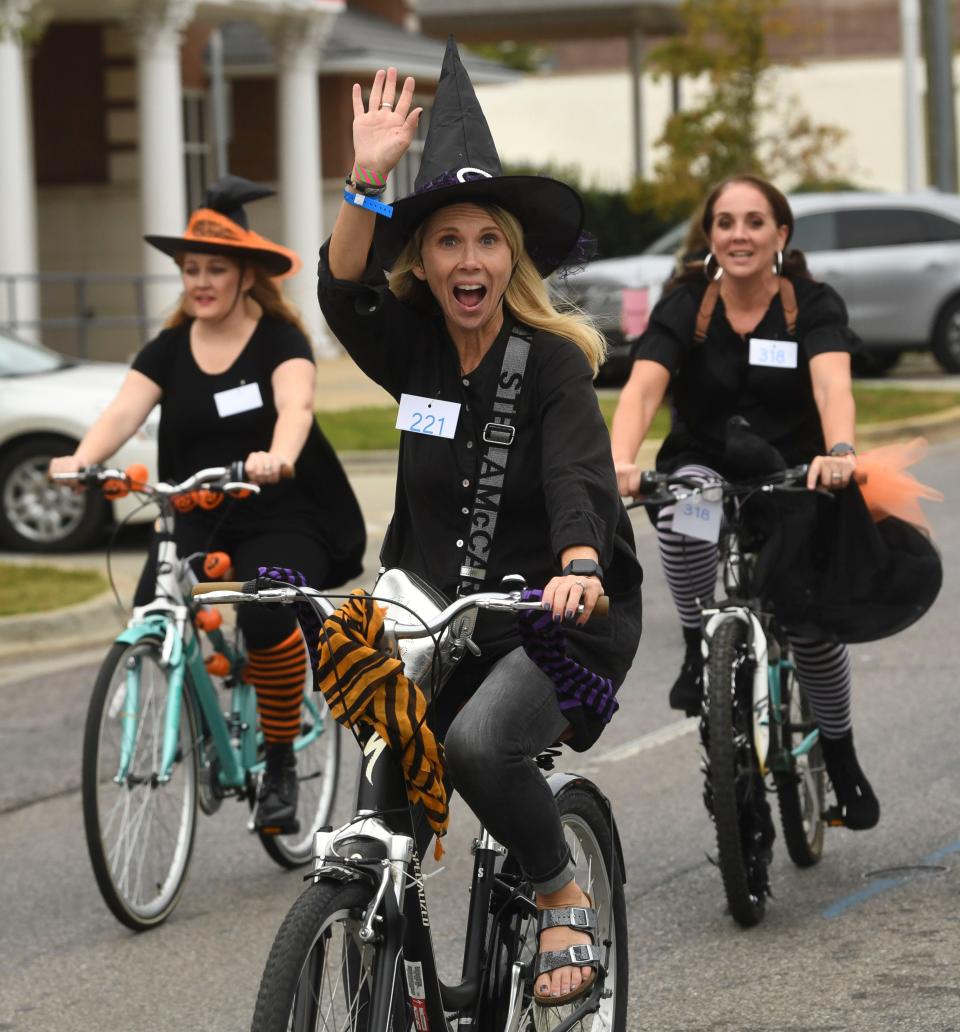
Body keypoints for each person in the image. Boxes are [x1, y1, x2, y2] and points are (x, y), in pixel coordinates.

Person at [317, 41, 642, 1007]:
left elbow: (578, 476)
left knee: (477, 749)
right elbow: (340, 292)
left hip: (554, 616)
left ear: (513, 257)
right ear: (424, 259)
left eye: (487, 239)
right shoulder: (412, 348)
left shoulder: (550, 365)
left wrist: (579, 561)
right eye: (448, 240)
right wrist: (366, 182)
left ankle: (560, 890)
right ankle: (393, 961)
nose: (469, 259)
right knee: (389, 786)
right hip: (435, 611)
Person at [49, 175, 365, 833]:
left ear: (247, 275)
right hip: (195, 510)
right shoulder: (167, 348)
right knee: (153, 609)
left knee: (263, 616)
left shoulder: (278, 340)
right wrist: (82, 459)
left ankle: (279, 762)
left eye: (214, 268)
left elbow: (296, 406)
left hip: (282, 507)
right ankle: (189, 709)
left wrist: (278, 453)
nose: (200, 281)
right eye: (190, 269)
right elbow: (121, 412)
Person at [610, 173, 880, 831]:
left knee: (810, 625)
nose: (739, 235)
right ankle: (703, 641)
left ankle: (840, 761)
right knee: (685, 511)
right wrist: (619, 461)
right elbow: (643, 392)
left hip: (795, 476)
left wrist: (839, 450)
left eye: (754, 222)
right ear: (710, 235)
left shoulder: (809, 305)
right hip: (707, 468)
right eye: (725, 222)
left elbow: (830, 386)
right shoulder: (688, 305)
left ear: (780, 235)